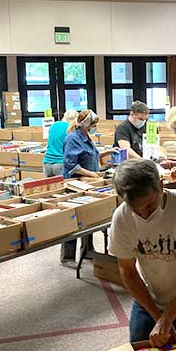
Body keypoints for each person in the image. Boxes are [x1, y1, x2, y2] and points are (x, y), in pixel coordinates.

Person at [109, 159, 176, 346]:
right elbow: (128, 271)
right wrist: (158, 316)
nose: (144, 215)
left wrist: (166, 319)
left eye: (149, 206)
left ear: (161, 185)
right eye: (136, 210)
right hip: (149, 301)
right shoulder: (122, 217)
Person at [61, 109, 102, 268]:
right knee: (72, 220)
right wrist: (90, 173)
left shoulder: (86, 136)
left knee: (88, 218)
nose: (95, 127)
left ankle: (87, 251)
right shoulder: (73, 139)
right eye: (94, 124)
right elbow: (71, 165)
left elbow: (91, 155)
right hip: (74, 184)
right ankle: (68, 257)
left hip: (88, 183)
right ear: (87, 125)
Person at [43, 109, 78, 177]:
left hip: (47, 161)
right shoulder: (70, 129)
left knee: (49, 187)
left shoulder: (53, 125)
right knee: (63, 186)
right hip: (60, 163)